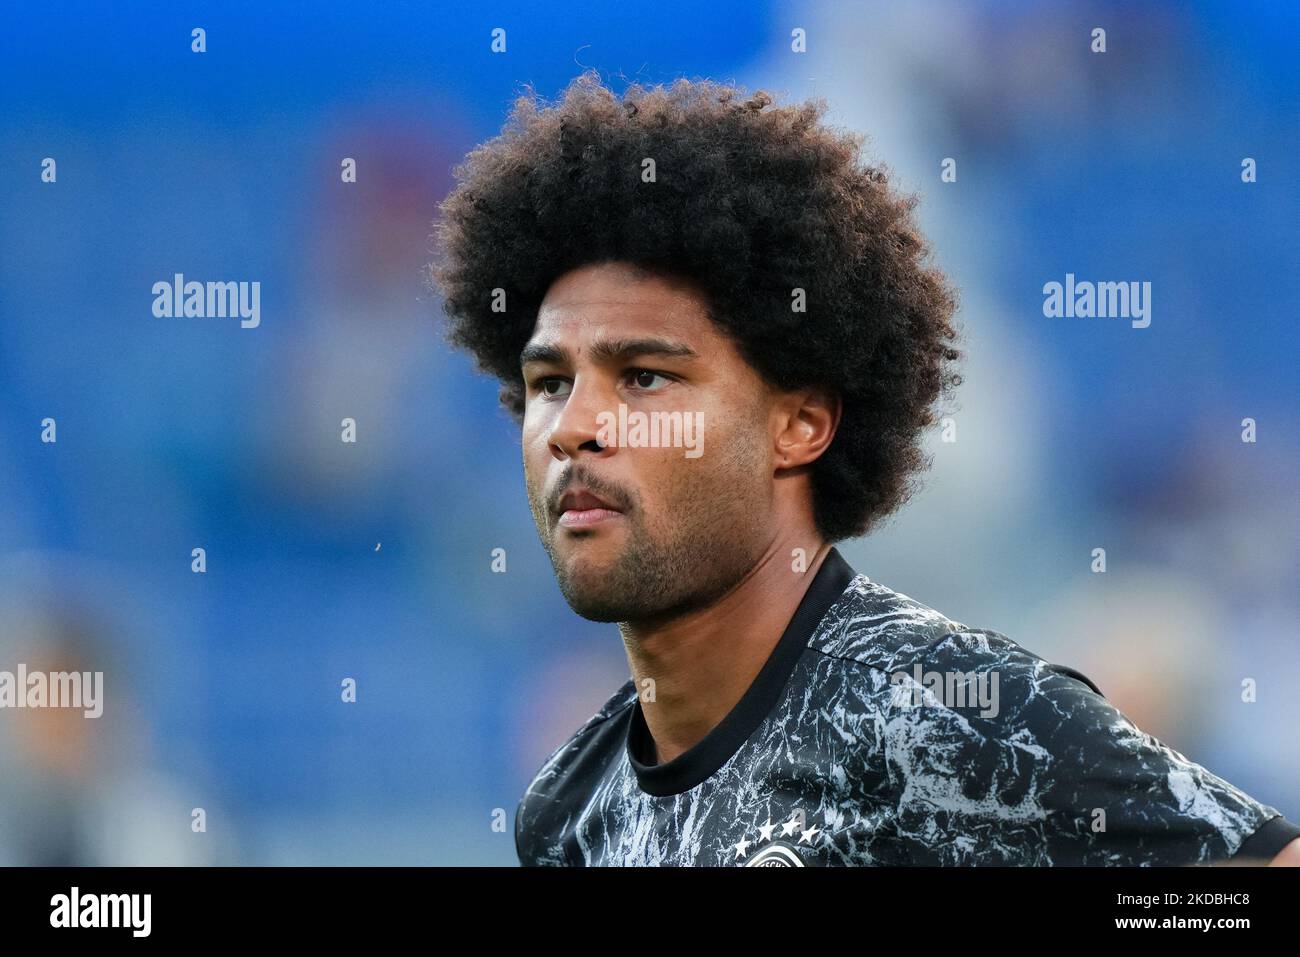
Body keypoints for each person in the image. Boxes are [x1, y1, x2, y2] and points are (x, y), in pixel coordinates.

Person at [428, 71, 1300, 866]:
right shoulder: (568, 810)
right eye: (550, 383)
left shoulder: (956, 715)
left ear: (799, 425)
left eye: (645, 376)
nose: (574, 428)